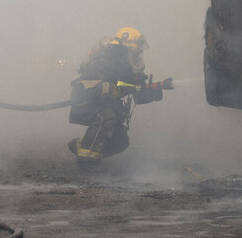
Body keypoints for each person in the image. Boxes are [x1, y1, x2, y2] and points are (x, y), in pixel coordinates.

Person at [67, 27, 172, 168]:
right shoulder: (103, 63)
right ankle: (86, 161)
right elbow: (83, 88)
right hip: (84, 103)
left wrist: (157, 89)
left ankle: (82, 145)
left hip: (103, 107)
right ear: (124, 50)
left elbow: (139, 96)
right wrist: (112, 89)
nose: (138, 56)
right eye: (135, 52)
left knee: (120, 141)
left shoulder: (127, 67)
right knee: (106, 116)